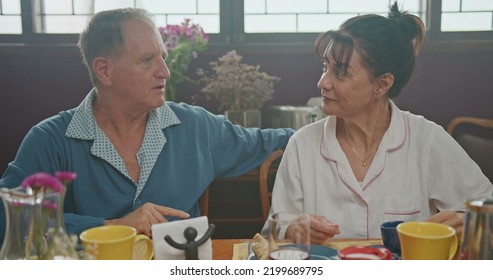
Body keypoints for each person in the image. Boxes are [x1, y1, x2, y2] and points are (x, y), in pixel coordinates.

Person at [0, 8, 294, 243]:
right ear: (105, 70)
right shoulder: (51, 140)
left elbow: (273, 141)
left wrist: (336, 121)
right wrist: (111, 226)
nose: (164, 71)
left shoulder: (194, 126)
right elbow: (7, 218)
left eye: (163, 58)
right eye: (147, 60)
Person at [265, 2, 493, 243]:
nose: (323, 82)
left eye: (340, 72)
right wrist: (292, 229)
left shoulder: (426, 140)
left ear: (382, 84)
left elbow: (487, 208)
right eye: (325, 67)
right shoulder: (303, 145)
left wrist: (468, 222)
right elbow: (275, 228)